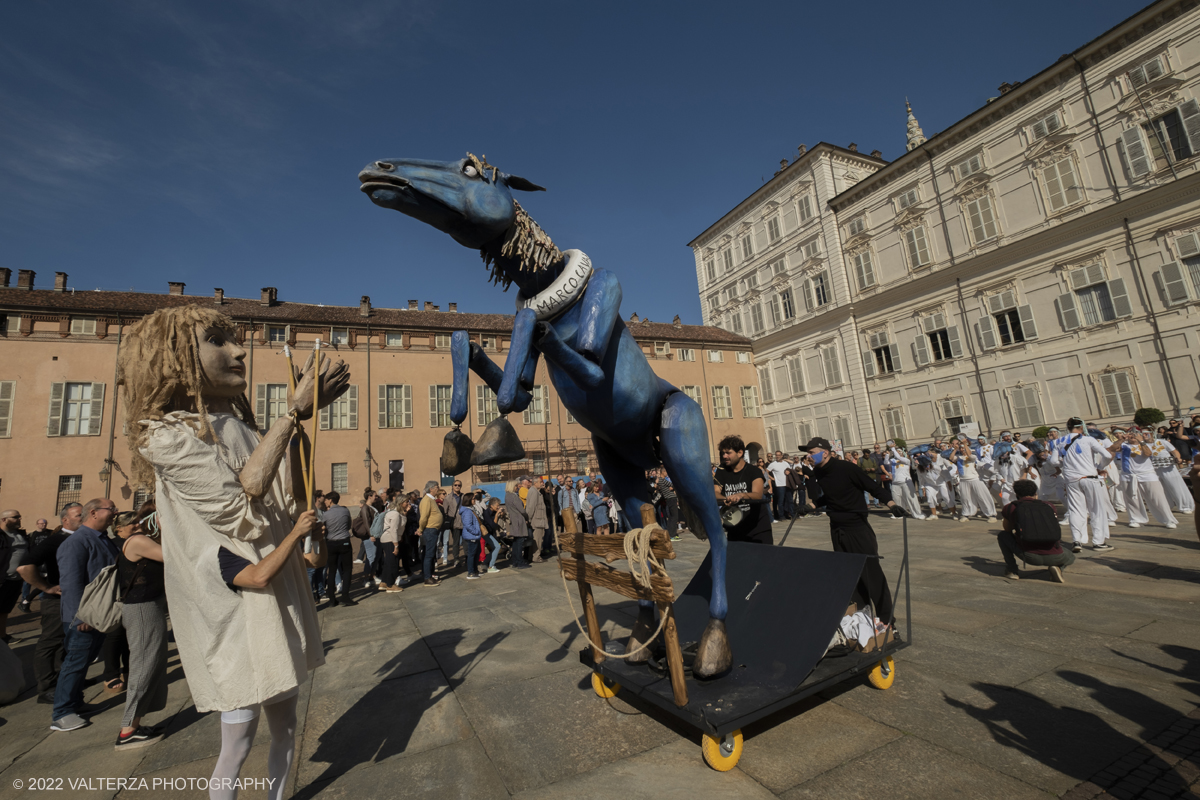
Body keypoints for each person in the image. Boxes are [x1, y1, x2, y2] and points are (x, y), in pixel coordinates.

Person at [119, 306, 339, 800]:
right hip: (234, 610)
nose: (239, 351)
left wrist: (302, 425)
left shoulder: (243, 429)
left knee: (286, 727)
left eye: (235, 340)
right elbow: (242, 503)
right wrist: (291, 414)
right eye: (217, 340)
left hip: (276, 590)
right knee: (236, 744)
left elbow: (287, 500)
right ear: (173, 359)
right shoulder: (166, 435)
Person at [803, 437, 898, 626]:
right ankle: (861, 618)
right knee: (848, 575)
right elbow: (830, 497)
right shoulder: (819, 471)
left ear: (826, 453)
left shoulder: (847, 468)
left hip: (857, 529)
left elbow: (871, 486)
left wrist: (892, 504)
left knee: (871, 574)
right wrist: (813, 504)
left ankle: (887, 620)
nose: (809, 456)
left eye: (812, 452)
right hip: (837, 528)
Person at [50, 498, 120, 732]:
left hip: (99, 614)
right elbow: (71, 584)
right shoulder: (76, 543)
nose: (114, 513)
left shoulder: (101, 539)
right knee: (75, 663)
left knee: (84, 663)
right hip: (83, 618)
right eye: (111, 509)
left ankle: (76, 703)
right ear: (94, 512)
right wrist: (80, 617)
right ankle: (62, 712)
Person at [112, 506, 169, 749]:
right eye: (131, 524)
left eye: (138, 522)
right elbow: (171, 554)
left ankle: (135, 724)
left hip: (148, 606)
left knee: (152, 663)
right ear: (120, 530)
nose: (136, 526)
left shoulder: (138, 539)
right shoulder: (136, 541)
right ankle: (127, 730)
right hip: (143, 609)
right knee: (144, 664)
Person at [16, 503, 81, 704]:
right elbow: (24, 567)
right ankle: (46, 687)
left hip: (76, 600)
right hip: (56, 601)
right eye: (79, 515)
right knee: (50, 641)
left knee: (68, 642)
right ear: (65, 520)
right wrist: (46, 587)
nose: (83, 517)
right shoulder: (56, 540)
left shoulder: (81, 538)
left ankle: (65, 679)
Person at [1048, 417, 1120, 552]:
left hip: (1071, 479)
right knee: (1096, 510)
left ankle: (1077, 540)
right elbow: (1107, 455)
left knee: (1076, 510)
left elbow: (1053, 462)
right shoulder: (1089, 439)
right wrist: (1100, 466)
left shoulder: (1059, 441)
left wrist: (1065, 464)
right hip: (1090, 477)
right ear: (1081, 427)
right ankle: (1098, 542)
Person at [997, 479, 1075, 582]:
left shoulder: (1011, 507)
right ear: (1035, 492)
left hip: (1029, 555)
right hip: (1055, 555)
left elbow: (1007, 529)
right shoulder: (1049, 506)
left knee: (1003, 536)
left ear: (1016, 494)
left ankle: (1012, 571)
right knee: (1070, 556)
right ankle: (1057, 568)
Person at [713, 436, 773, 545]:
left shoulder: (754, 471)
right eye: (723, 453)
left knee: (764, 560)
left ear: (740, 453)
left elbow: (757, 495)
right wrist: (727, 499)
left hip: (757, 527)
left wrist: (741, 495)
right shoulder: (721, 472)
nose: (724, 456)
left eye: (728, 453)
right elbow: (716, 493)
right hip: (734, 526)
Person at [1116, 429, 1178, 529]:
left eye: (1135, 434)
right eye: (1130, 434)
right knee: (1131, 499)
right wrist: (1121, 440)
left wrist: (1141, 441)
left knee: (1157, 498)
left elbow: (1148, 454)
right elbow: (1112, 449)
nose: (1132, 436)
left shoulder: (1147, 444)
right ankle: (1135, 519)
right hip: (1128, 475)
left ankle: (1168, 519)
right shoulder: (1123, 445)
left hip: (1147, 474)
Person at [0, 509, 30, 643]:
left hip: (16, 579)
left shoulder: (20, 535)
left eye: (19, 517)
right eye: (15, 517)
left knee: (5, 609)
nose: (19, 519)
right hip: (3, 579)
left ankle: (3, 636)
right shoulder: (1, 535)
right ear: (4, 519)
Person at [321, 491, 355, 606]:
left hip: (331, 542)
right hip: (344, 541)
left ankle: (332, 598)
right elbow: (349, 525)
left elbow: (322, 527)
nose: (325, 501)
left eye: (326, 499)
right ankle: (345, 595)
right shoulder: (345, 510)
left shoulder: (326, 514)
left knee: (332, 569)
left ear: (330, 500)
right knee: (347, 569)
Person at [952, 439, 996, 522]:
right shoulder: (958, 457)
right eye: (961, 448)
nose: (962, 449)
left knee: (982, 496)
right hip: (963, 480)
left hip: (975, 479)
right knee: (965, 498)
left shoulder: (974, 457)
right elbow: (951, 458)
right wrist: (955, 449)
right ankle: (966, 514)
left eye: (963, 448)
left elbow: (970, 455)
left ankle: (991, 514)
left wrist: (965, 444)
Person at [888, 444, 924, 519]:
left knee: (911, 498)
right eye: (897, 451)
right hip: (895, 482)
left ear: (903, 453)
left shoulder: (906, 461)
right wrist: (887, 455)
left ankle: (917, 513)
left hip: (906, 482)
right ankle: (899, 514)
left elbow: (898, 457)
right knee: (897, 499)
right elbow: (885, 462)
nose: (898, 452)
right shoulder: (894, 461)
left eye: (900, 451)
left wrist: (893, 448)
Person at [418, 481, 444, 586]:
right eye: (437, 487)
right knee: (429, 554)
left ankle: (430, 575)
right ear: (431, 489)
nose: (438, 489)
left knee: (430, 554)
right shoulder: (426, 500)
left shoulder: (431, 499)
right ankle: (427, 578)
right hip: (429, 529)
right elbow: (423, 517)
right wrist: (420, 528)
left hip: (433, 529)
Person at [378, 497, 404, 593]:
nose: (407, 504)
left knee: (389, 561)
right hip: (390, 539)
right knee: (392, 562)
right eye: (406, 502)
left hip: (387, 539)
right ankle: (390, 584)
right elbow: (394, 530)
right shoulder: (395, 514)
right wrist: (396, 545)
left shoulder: (393, 512)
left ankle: (384, 582)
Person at [504, 479, 531, 568]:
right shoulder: (513, 496)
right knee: (519, 542)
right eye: (516, 486)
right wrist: (527, 517)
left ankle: (515, 561)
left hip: (513, 519)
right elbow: (522, 509)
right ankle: (519, 561)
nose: (517, 488)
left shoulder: (507, 496)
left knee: (516, 542)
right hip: (518, 520)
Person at [526, 477, 549, 562]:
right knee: (538, 540)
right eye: (540, 482)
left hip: (538, 520)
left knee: (536, 539)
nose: (542, 483)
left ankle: (532, 556)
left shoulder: (536, 492)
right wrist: (529, 519)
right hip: (537, 521)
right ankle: (536, 557)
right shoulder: (534, 492)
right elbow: (531, 507)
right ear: (535, 483)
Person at [765, 451, 792, 520]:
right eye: (776, 455)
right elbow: (766, 472)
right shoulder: (773, 464)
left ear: (782, 455)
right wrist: (772, 478)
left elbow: (790, 470)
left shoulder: (785, 463)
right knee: (781, 501)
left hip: (787, 484)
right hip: (779, 485)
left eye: (779, 455)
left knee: (788, 500)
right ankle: (781, 516)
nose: (777, 456)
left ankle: (787, 514)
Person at [460, 498, 483, 580]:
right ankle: (471, 572)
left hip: (475, 536)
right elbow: (468, 524)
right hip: (471, 536)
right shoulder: (467, 511)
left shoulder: (471, 509)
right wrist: (476, 531)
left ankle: (475, 570)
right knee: (472, 554)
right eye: (472, 498)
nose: (474, 500)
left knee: (477, 553)